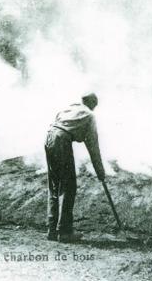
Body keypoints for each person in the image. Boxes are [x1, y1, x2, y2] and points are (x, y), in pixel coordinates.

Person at [44, 92, 105, 242]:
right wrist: (100, 172)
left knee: (54, 185)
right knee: (68, 186)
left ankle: (52, 230)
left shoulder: (68, 109)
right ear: (92, 103)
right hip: (62, 141)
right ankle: (64, 232)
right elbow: (93, 146)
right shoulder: (89, 115)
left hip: (49, 138)